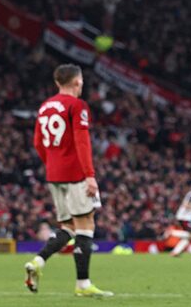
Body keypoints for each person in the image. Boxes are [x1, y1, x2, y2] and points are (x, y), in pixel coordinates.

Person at [25, 64, 113, 297]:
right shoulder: (77, 106)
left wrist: (52, 163)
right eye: (81, 80)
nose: (82, 84)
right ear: (77, 82)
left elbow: (37, 142)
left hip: (54, 174)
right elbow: (82, 142)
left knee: (69, 227)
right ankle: (83, 284)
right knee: (86, 225)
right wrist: (90, 176)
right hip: (75, 174)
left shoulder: (45, 107)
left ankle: (38, 262)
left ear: (57, 83)